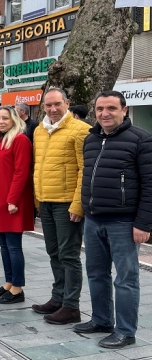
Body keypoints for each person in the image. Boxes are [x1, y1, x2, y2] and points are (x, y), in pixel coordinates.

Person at [73, 91, 152, 349]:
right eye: (99, 109)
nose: (105, 113)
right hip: (94, 220)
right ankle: (101, 320)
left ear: (124, 110)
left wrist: (143, 224)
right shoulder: (91, 139)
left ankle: (126, 331)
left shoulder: (141, 140)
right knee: (96, 273)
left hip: (124, 223)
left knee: (126, 279)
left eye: (111, 108)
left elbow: (150, 185)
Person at [31, 88, 91, 324]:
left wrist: (78, 204)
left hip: (66, 203)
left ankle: (71, 306)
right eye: (48, 105)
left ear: (67, 103)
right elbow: (39, 165)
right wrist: (37, 198)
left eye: (57, 104)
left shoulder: (80, 130)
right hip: (46, 201)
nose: (53, 109)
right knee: (53, 252)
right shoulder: (39, 130)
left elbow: (84, 170)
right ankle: (58, 297)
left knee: (69, 255)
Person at [0, 106, 34, 304]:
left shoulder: (20, 140)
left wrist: (13, 200)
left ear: (14, 120)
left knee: (14, 246)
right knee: (5, 246)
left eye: (5, 118)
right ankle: (9, 282)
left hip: (12, 200)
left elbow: (21, 172)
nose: (1, 122)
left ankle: (18, 288)